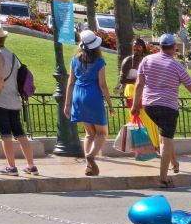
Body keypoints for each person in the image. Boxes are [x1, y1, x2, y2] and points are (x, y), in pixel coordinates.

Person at [132, 33, 191, 188]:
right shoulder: (176, 66)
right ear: (174, 48)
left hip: (149, 105)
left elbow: (139, 84)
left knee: (164, 136)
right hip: (168, 107)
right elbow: (190, 84)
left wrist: (135, 104)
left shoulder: (147, 60)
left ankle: (174, 163)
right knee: (166, 140)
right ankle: (163, 179)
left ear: (160, 46)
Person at [0, 24, 36, 176]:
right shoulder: (12, 55)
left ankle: (11, 167)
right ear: (4, 37)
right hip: (14, 100)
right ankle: (31, 165)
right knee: (20, 134)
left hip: (1, 100)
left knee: (5, 134)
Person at [64, 29, 110, 176]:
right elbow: (102, 85)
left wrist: (67, 104)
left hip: (78, 96)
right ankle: (91, 156)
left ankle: (88, 166)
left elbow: (70, 83)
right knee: (102, 133)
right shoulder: (100, 62)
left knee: (89, 134)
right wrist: (109, 104)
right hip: (93, 97)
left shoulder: (74, 60)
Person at [119, 38, 160, 152]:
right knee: (137, 118)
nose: (136, 49)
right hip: (131, 92)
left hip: (145, 91)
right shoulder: (128, 61)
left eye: (138, 47)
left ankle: (154, 145)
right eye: (134, 47)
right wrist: (136, 81)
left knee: (150, 119)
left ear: (143, 48)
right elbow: (122, 79)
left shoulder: (147, 61)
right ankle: (141, 147)